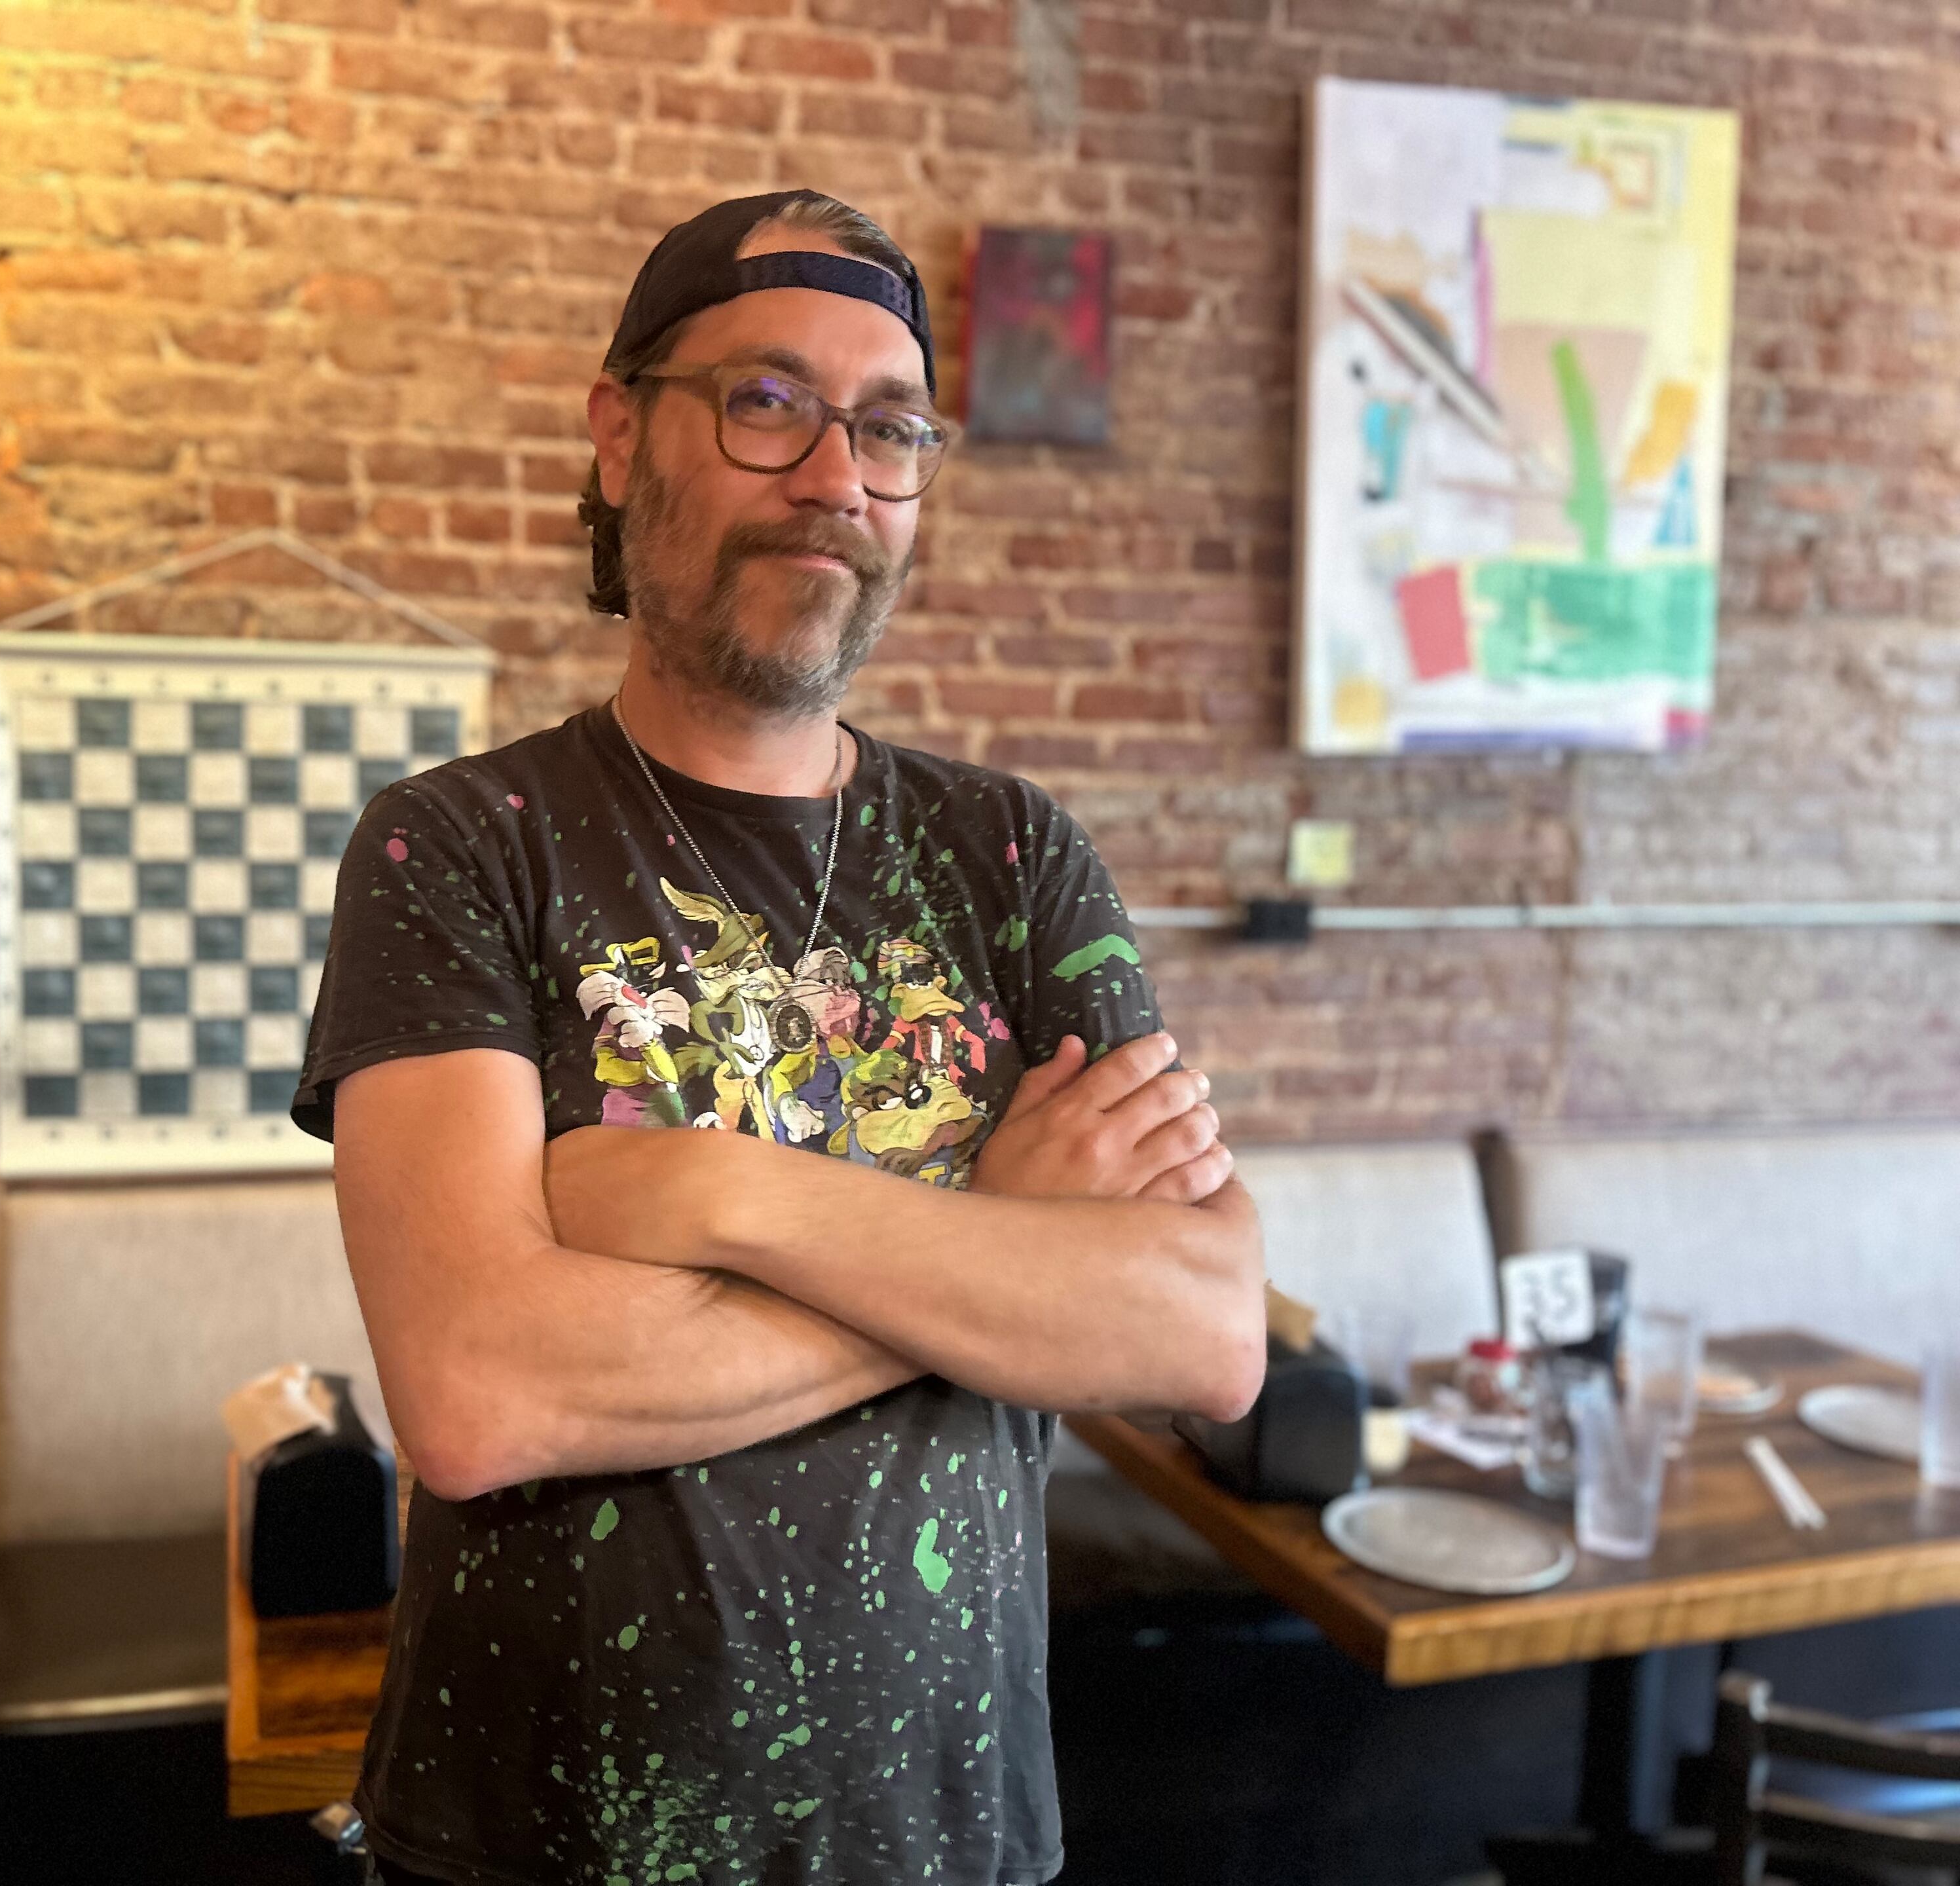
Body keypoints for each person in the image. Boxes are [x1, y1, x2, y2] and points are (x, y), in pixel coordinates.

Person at [293, 188, 1265, 1886]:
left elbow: (1203, 1332)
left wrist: (712, 1193)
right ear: (620, 434)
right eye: (767, 403)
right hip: (539, 1840)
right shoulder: (459, 844)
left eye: (890, 429)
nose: (836, 477)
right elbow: (483, 1391)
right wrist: (996, 1255)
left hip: (947, 1841)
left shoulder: (1014, 856)